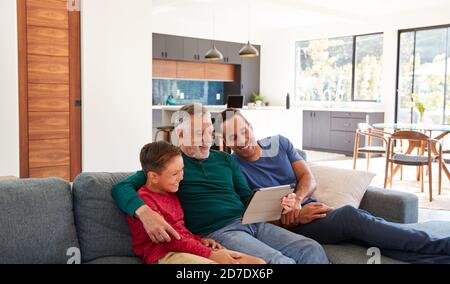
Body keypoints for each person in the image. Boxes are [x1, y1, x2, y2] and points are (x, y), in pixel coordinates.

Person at [220, 108, 450, 264]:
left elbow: (308, 178)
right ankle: (440, 245)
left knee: (367, 231)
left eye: (243, 131)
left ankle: (438, 256)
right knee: (352, 217)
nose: (241, 140)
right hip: (289, 227)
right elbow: (252, 215)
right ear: (225, 143)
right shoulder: (230, 167)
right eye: (232, 137)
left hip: (312, 209)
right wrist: (296, 216)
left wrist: (299, 200)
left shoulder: (280, 143)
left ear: (251, 126)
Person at [112, 103, 329, 264]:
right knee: (278, 262)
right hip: (220, 232)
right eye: (199, 133)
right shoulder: (170, 165)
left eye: (209, 131)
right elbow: (121, 187)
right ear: (180, 135)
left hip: (252, 223)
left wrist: (281, 205)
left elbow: (247, 198)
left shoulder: (225, 160)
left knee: (309, 248)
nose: (208, 139)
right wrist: (144, 212)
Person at [128, 141, 265, 264]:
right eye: (175, 174)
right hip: (165, 254)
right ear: (153, 177)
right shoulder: (144, 200)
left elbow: (180, 228)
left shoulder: (171, 193)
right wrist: (211, 254)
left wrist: (199, 239)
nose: (181, 177)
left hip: (186, 245)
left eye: (182, 170)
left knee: (257, 262)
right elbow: (171, 240)